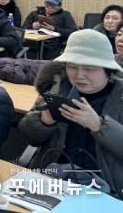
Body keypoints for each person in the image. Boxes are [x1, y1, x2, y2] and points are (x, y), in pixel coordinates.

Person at [18, 29, 123, 197]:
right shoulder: (59, 87)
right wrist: (44, 122)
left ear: (108, 69)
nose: (79, 75)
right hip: (55, 178)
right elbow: (29, 136)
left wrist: (100, 126)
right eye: (72, 67)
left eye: (89, 68)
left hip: (106, 187)